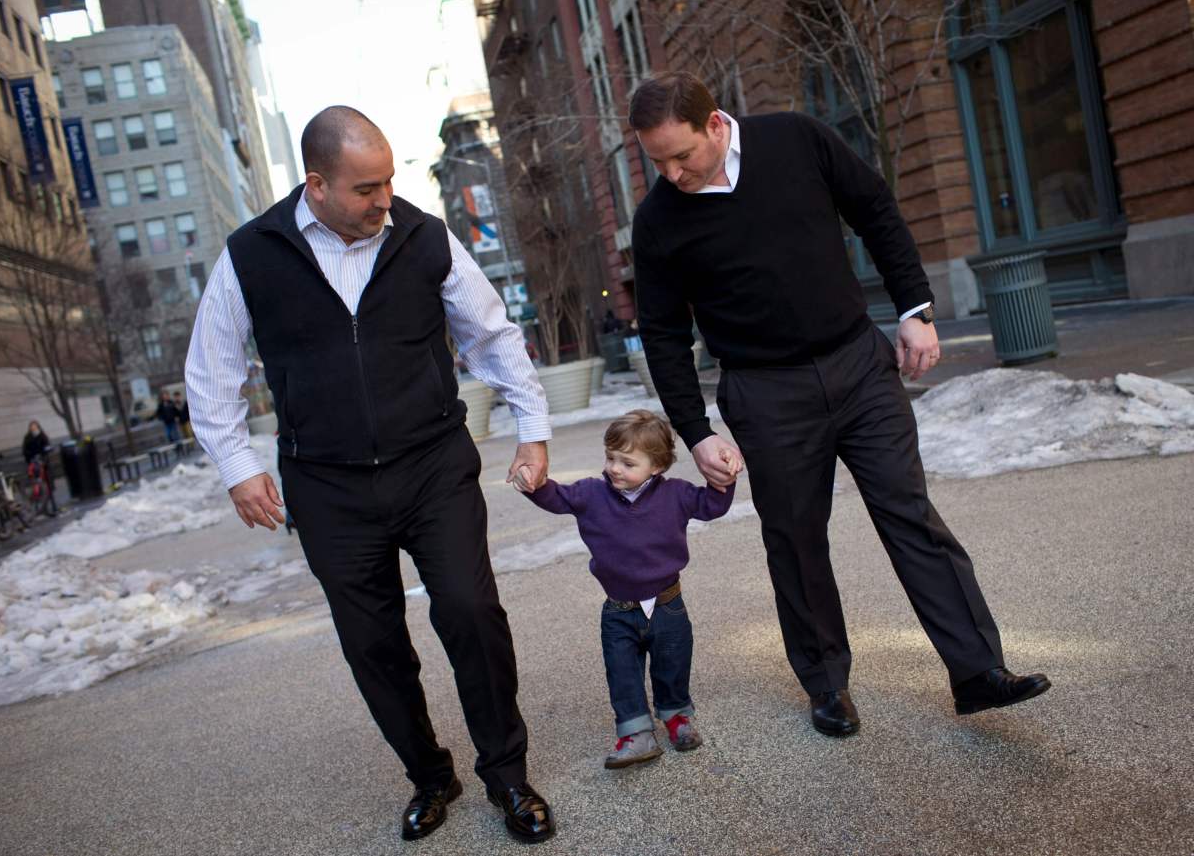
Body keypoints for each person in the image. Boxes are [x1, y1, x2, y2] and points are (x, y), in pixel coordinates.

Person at [629, 72, 1050, 738]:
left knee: (910, 512)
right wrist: (695, 430)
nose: (672, 173)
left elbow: (875, 208)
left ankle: (978, 671)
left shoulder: (795, 139)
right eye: (657, 161)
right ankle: (827, 684)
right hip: (766, 393)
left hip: (857, 362)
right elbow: (661, 333)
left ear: (714, 124)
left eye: (681, 155)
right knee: (796, 542)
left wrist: (915, 308)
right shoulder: (657, 221)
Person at [185, 106, 555, 844]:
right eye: (365, 187)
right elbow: (211, 370)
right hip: (327, 488)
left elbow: (490, 333)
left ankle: (508, 775)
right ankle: (430, 774)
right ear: (316, 185)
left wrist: (534, 427)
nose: (384, 198)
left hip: (431, 466)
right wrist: (239, 467)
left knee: (469, 611)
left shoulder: (422, 235)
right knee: (373, 643)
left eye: (389, 180)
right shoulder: (251, 253)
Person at [517, 410, 737, 768]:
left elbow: (712, 506)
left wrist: (723, 479)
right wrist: (534, 483)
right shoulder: (591, 493)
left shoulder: (676, 495)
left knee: (673, 664)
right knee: (622, 672)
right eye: (610, 458)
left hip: (668, 605)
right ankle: (636, 734)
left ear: (657, 466)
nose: (615, 468)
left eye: (627, 462)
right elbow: (557, 497)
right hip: (618, 610)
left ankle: (676, 716)